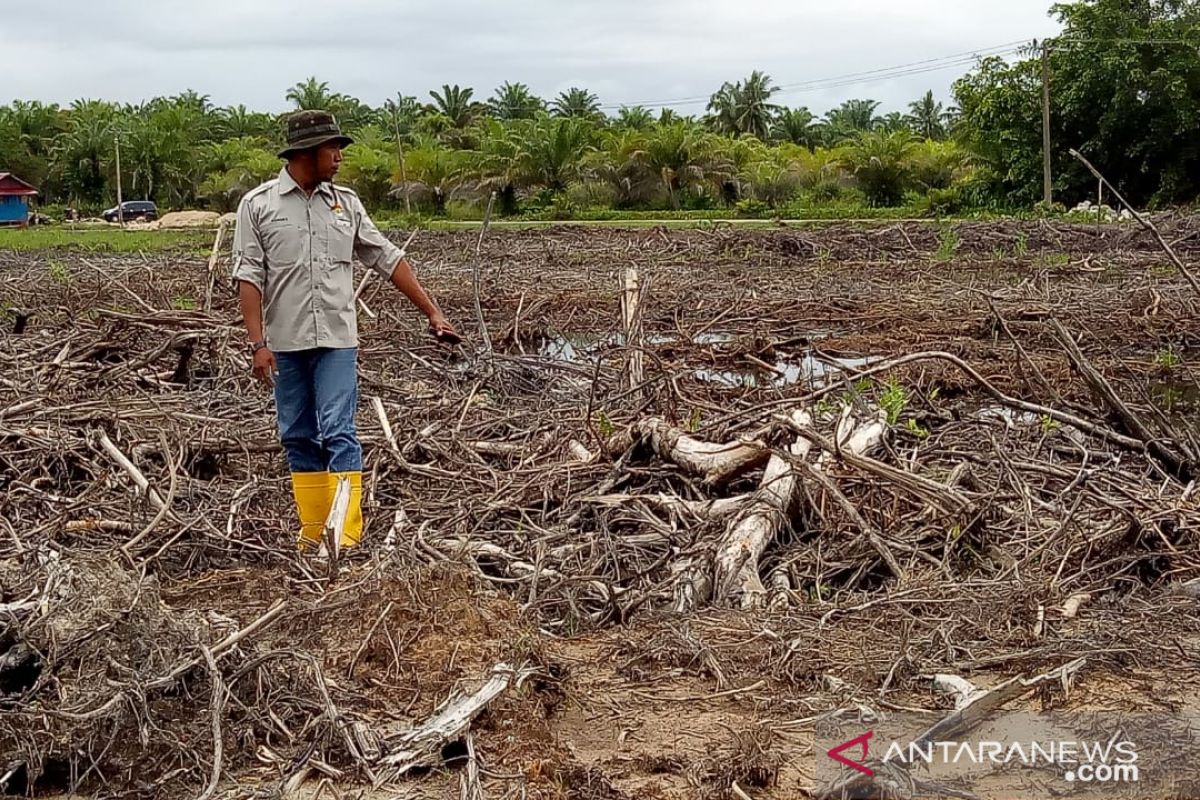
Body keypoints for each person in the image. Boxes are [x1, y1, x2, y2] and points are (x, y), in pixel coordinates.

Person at [232, 110, 459, 552]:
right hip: (285, 344)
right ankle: (313, 532)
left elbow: (387, 258)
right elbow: (248, 277)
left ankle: (345, 536)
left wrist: (432, 312)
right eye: (331, 148)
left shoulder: (346, 204)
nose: (338, 156)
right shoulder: (258, 206)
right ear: (304, 153)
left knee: (338, 431)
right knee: (296, 433)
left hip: (337, 340)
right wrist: (257, 344)